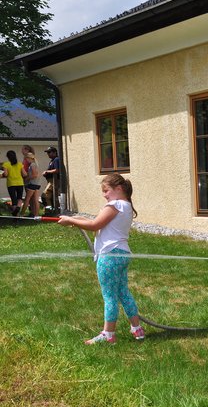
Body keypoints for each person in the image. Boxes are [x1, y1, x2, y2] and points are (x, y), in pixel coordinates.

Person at [58, 174, 145, 345]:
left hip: (109, 256)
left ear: (118, 189)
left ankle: (108, 334)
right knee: (123, 293)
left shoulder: (114, 205)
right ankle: (137, 329)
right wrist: (73, 220)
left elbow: (94, 225)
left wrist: (69, 220)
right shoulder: (125, 206)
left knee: (109, 296)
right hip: (122, 254)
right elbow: (94, 221)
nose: (104, 195)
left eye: (106, 190)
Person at [1, 150, 26, 216]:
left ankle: (15, 216)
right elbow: (24, 174)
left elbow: (6, 174)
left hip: (11, 183)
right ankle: (18, 208)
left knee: (13, 199)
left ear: (8, 157)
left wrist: (2, 174)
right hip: (20, 183)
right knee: (19, 198)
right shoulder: (20, 164)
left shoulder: (6, 164)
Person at [19, 153, 41, 217]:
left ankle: (21, 214)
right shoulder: (36, 164)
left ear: (29, 158)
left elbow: (35, 175)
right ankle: (36, 215)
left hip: (33, 184)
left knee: (27, 199)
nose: (26, 160)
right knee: (36, 200)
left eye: (26, 159)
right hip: (37, 184)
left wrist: (27, 178)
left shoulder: (32, 165)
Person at [42, 146, 60, 212]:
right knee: (49, 196)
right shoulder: (52, 161)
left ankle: (50, 210)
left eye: (49, 152)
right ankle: (50, 210)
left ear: (55, 152)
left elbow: (57, 170)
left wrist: (47, 171)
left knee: (45, 195)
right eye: (47, 152)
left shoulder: (56, 159)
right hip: (50, 181)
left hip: (54, 181)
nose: (48, 154)